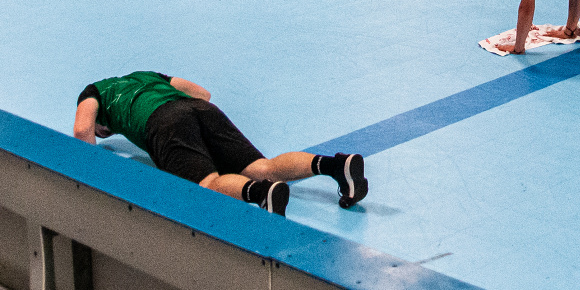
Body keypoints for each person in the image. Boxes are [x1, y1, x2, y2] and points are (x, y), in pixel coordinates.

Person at [73, 70, 368, 217]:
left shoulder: (94, 94)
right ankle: (335, 165)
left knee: (207, 185)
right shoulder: (147, 76)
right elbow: (202, 94)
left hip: (163, 124)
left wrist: (90, 178)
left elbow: (82, 129)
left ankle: (261, 194)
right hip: (200, 110)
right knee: (263, 166)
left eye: (106, 133)